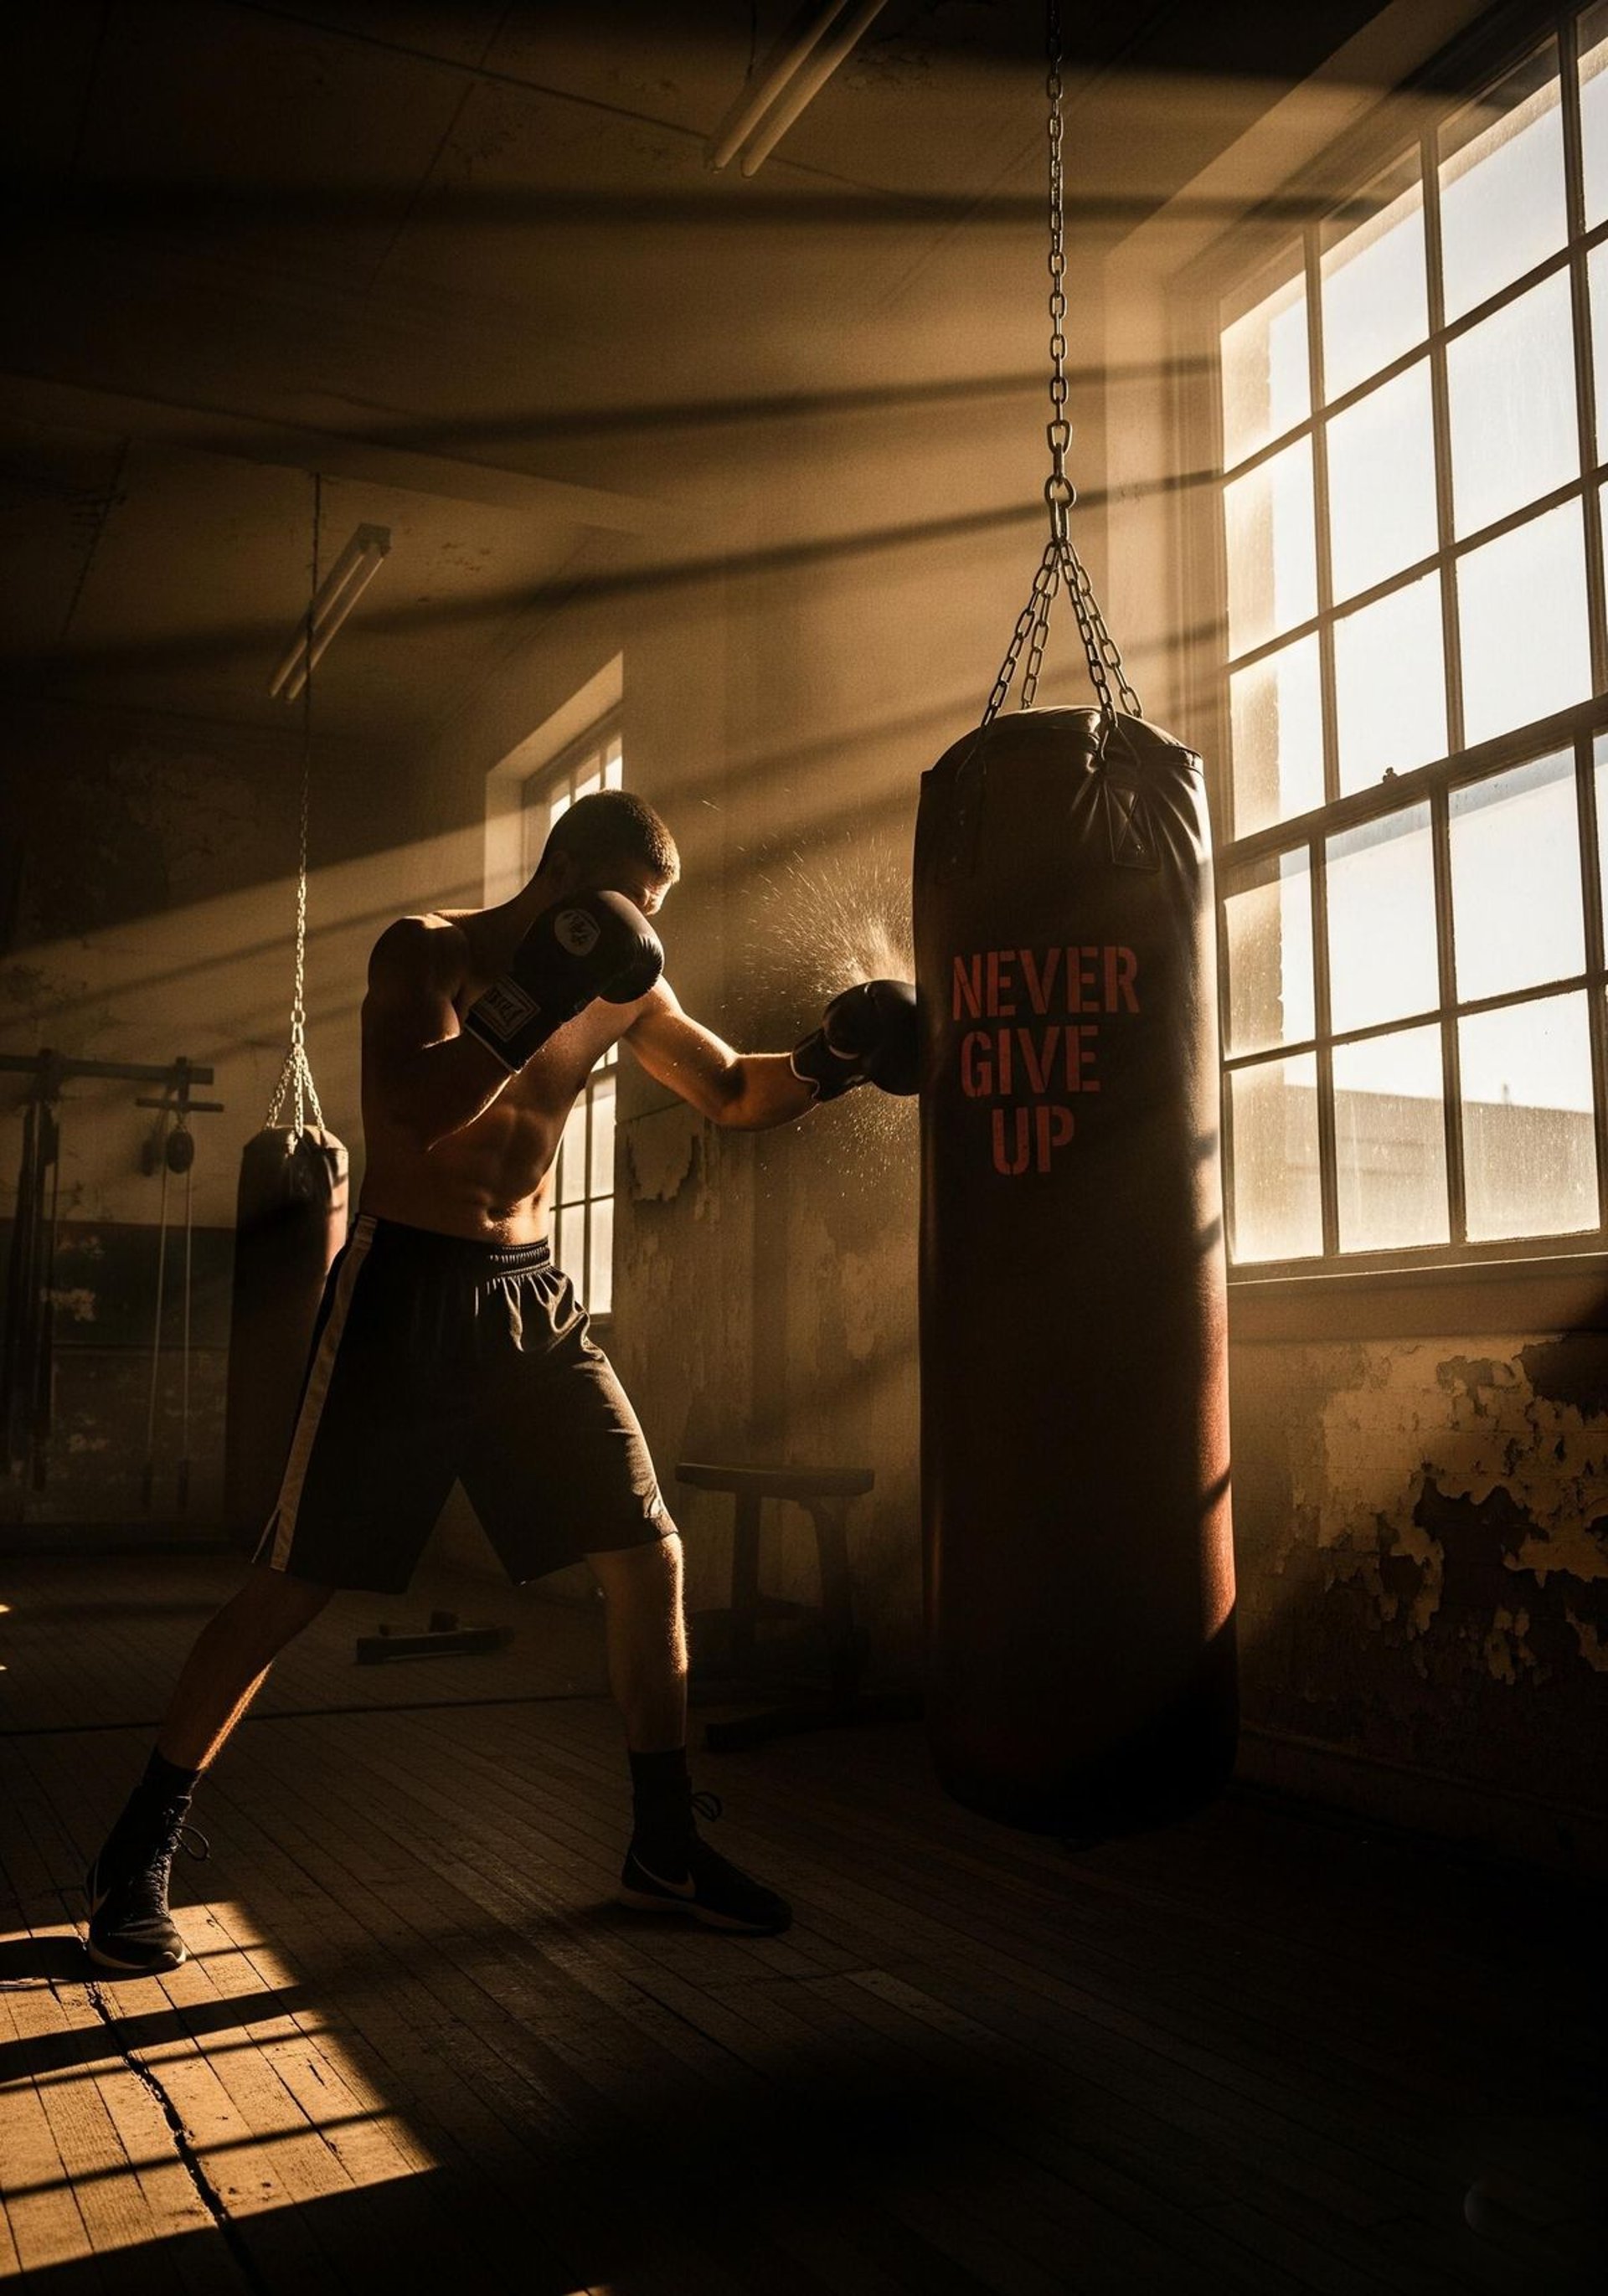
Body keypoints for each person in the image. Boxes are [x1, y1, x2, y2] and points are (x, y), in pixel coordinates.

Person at [85, 789, 918, 1972]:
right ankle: (136, 1850)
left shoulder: (624, 979)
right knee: (291, 1585)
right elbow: (416, 1116)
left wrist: (837, 1059)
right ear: (570, 878)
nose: (647, 929)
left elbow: (732, 1091)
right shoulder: (429, 952)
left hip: (529, 1299)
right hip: (402, 1292)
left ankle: (665, 1848)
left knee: (648, 1552)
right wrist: (544, 993)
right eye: (635, 903)